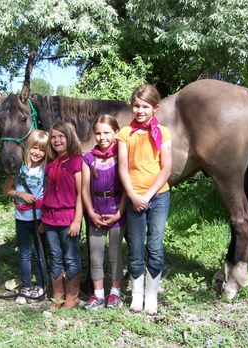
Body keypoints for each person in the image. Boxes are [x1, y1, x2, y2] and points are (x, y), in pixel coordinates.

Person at [117, 84, 172, 315]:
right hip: (134, 198)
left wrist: (148, 196)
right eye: (136, 106)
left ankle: (151, 295)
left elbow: (167, 168)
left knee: (155, 246)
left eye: (145, 106)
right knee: (136, 248)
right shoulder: (124, 134)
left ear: (155, 108)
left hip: (158, 197)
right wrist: (133, 195)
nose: (140, 110)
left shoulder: (164, 133)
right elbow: (123, 169)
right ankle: (137, 294)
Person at [82, 115, 126, 310]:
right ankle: (98, 294)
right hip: (96, 211)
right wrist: (90, 213)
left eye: (107, 132)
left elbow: (126, 187)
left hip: (117, 210)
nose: (102, 137)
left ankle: (115, 292)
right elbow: (84, 189)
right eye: (98, 133)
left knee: (115, 254)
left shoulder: (122, 156)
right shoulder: (88, 158)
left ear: (116, 132)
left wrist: (119, 212)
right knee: (96, 254)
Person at [40, 121, 83, 310]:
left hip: (68, 218)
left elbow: (82, 193)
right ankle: (58, 295)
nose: (57, 140)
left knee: (71, 258)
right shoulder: (50, 164)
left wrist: (77, 220)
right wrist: (43, 219)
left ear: (70, 137)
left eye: (61, 136)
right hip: (50, 219)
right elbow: (47, 192)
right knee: (55, 257)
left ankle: (72, 296)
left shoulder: (76, 161)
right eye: (54, 137)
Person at [3, 130, 49, 305]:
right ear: (28, 147)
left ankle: (43, 285)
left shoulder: (46, 169)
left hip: (40, 219)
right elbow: (7, 190)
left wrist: (45, 220)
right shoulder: (19, 168)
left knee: (40, 253)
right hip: (22, 217)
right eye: (34, 148)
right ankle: (26, 287)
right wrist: (20, 194)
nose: (37, 152)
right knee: (24, 254)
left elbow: (50, 194)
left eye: (42, 150)